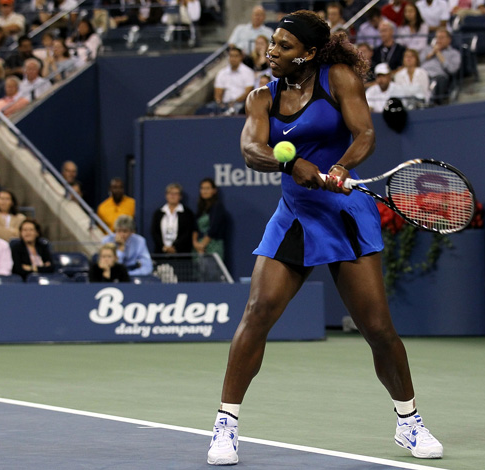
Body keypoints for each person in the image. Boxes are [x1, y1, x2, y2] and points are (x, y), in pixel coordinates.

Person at [206, 11, 443, 466]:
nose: (271, 52)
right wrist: (289, 164)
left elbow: (365, 134)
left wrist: (338, 169)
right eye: (271, 44)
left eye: (284, 46)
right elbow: (251, 149)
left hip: (344, 213)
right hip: (294, 214)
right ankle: (226, 425)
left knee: (377, 328)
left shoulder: (339, 80)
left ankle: (408, 421)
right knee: (257, 312)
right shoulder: (261, 97)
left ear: (309, 53)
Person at [151, 182, 196, 255]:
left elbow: (187, 233)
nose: (172, 196)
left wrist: (175, 247)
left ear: (180, 196)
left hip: (181, 253)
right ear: (166, 195)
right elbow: (154, 232)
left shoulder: (187, 213)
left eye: (176, 193)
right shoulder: (159, 213)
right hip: (161, 252)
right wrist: (164, 247)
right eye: (170, 193)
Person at [208, 47, 255, 115]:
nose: (233, 59)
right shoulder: (222, 73)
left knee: (239, 108)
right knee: (208, 108)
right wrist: (220, 103)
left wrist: (234, 102)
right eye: (231, 56)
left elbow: (248, 92)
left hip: (241, 103)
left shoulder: (248, 72)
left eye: (236, 56)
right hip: (224, 104)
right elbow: (218, 93)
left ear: (241, 57)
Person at [419, 27, 461, 104]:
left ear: (449, 40)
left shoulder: (454, 53)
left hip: (439, 77)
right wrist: (431, 53)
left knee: (439, 82)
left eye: (442, 38)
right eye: (437, 37)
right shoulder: (427, 49)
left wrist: (439, 54)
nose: (439, 40)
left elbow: (452, 70)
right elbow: (418, 63)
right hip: (422, 74)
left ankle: (435, 105)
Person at [193, 177, 226, 259]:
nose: (204, 191)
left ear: (214, 191)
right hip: (198, 248)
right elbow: (195, 228)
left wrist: (202, 245)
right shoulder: (200, 209)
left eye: (207, 188)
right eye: (202, 188)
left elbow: (214, 228)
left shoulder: (217, 207)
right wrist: (195, 244)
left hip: (213, 246)